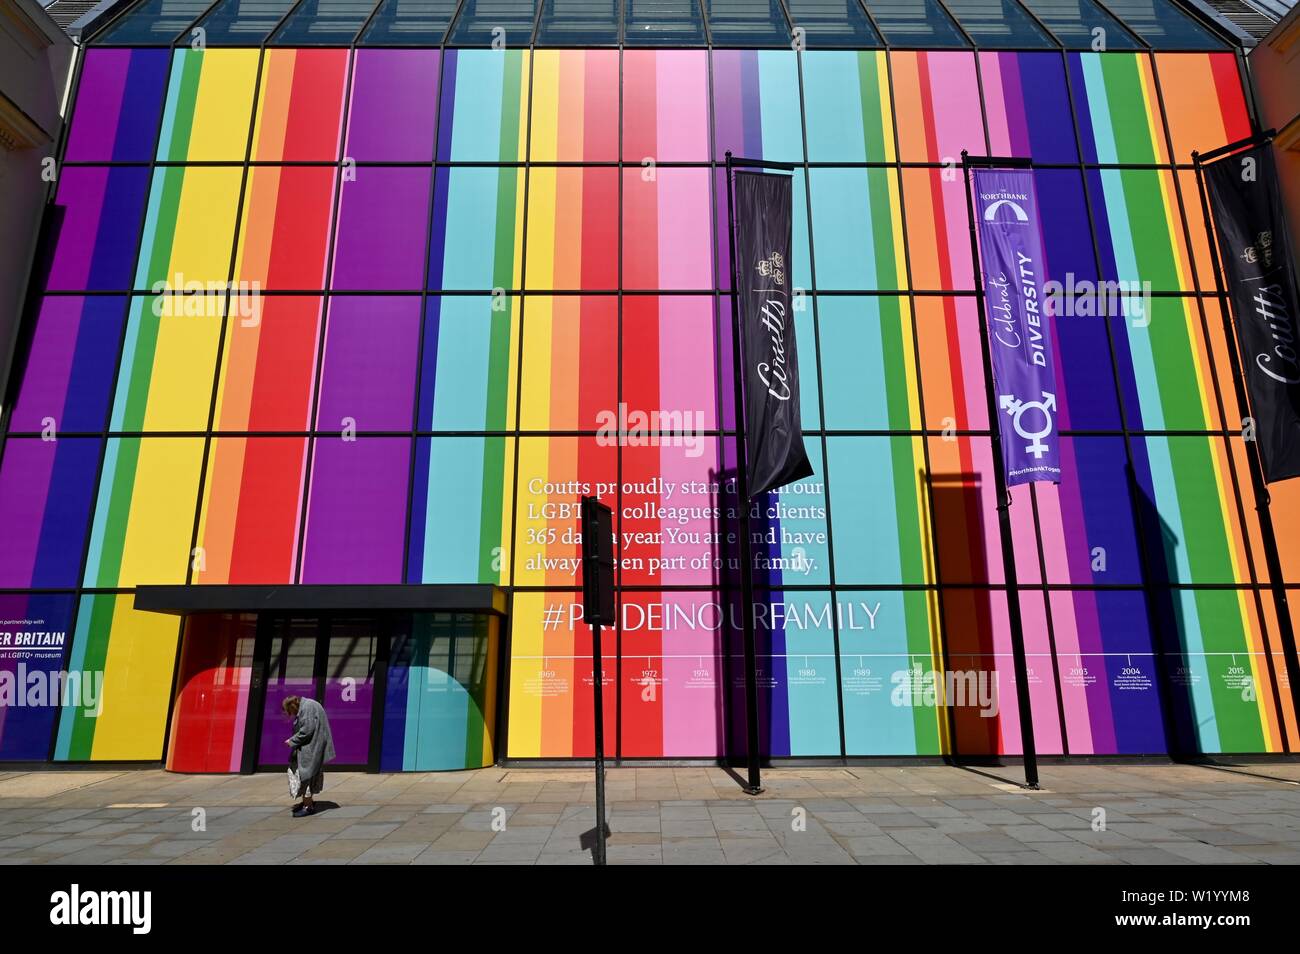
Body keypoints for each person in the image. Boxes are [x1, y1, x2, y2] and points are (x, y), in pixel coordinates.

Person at [283, 695, 335, 817]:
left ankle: (308, 806)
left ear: (293, 706)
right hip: (312, 747)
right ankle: (307, 802)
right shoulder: (308, 705)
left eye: (290, 712)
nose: (291, 715)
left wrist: (292, 741)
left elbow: (307, 729)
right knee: (306, 775)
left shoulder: (307, 708)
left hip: (311, 749)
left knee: (305, 776)